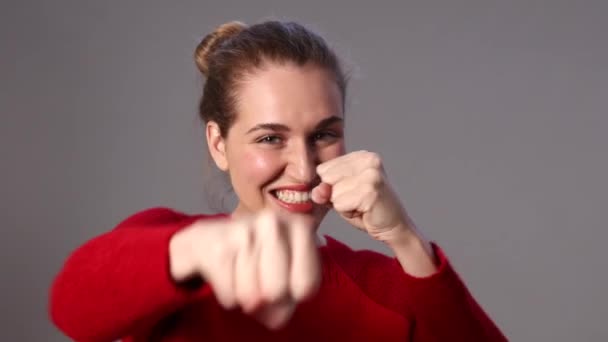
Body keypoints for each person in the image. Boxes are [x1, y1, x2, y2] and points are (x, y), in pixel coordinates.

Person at [49, 20, 507, 341]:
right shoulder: (167, 253)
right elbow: (73, 309)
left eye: (324, 134)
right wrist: (198, 250)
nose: (304, 170)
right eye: (270, 138)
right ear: (218, 143)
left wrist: (405, 238)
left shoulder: (387, 285)